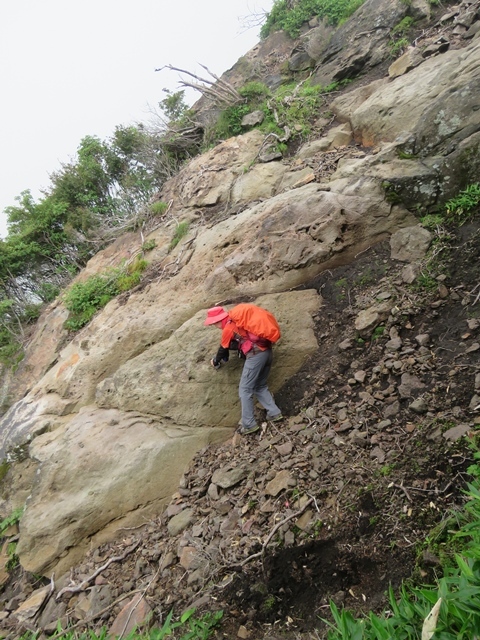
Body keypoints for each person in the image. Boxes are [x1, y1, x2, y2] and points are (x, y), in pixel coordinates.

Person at [204, 306, 283, 435]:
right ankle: (274, 413)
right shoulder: (239, 323)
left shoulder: (229, 328)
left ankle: (249, 424)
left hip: (256, 356)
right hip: (267, 352)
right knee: (260, 385)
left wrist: (215, 361)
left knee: (245, 389)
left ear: (220, 320)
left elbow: (223, 349)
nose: (215, 326)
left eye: (215, 323)